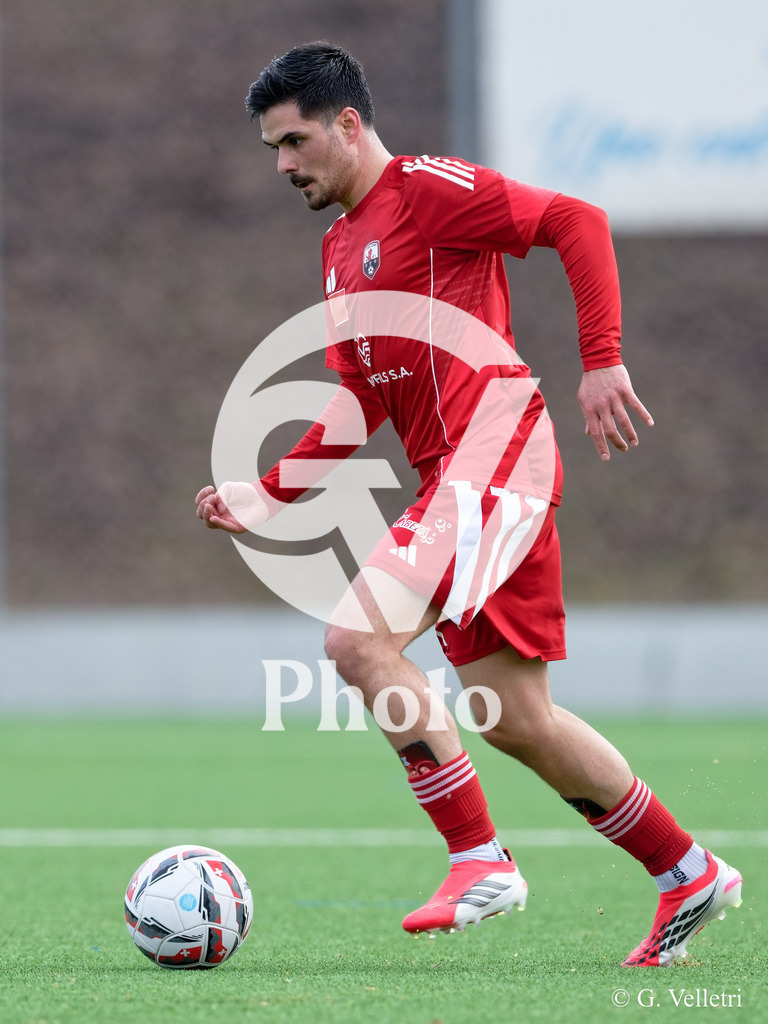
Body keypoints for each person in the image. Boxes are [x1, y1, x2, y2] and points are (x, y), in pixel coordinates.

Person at [195, 42, 742, 966]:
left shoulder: (430, 189)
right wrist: (271, 491)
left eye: (292, 142)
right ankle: (687, 871)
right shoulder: (338, 250)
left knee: (356, 639)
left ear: (349, 125)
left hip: (496, 454)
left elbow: (576, 217)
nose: (282, 165)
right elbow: (360, 397)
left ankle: (479, 858)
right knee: (514, 718)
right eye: (271, 149)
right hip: (465, 475)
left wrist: (601, 356)